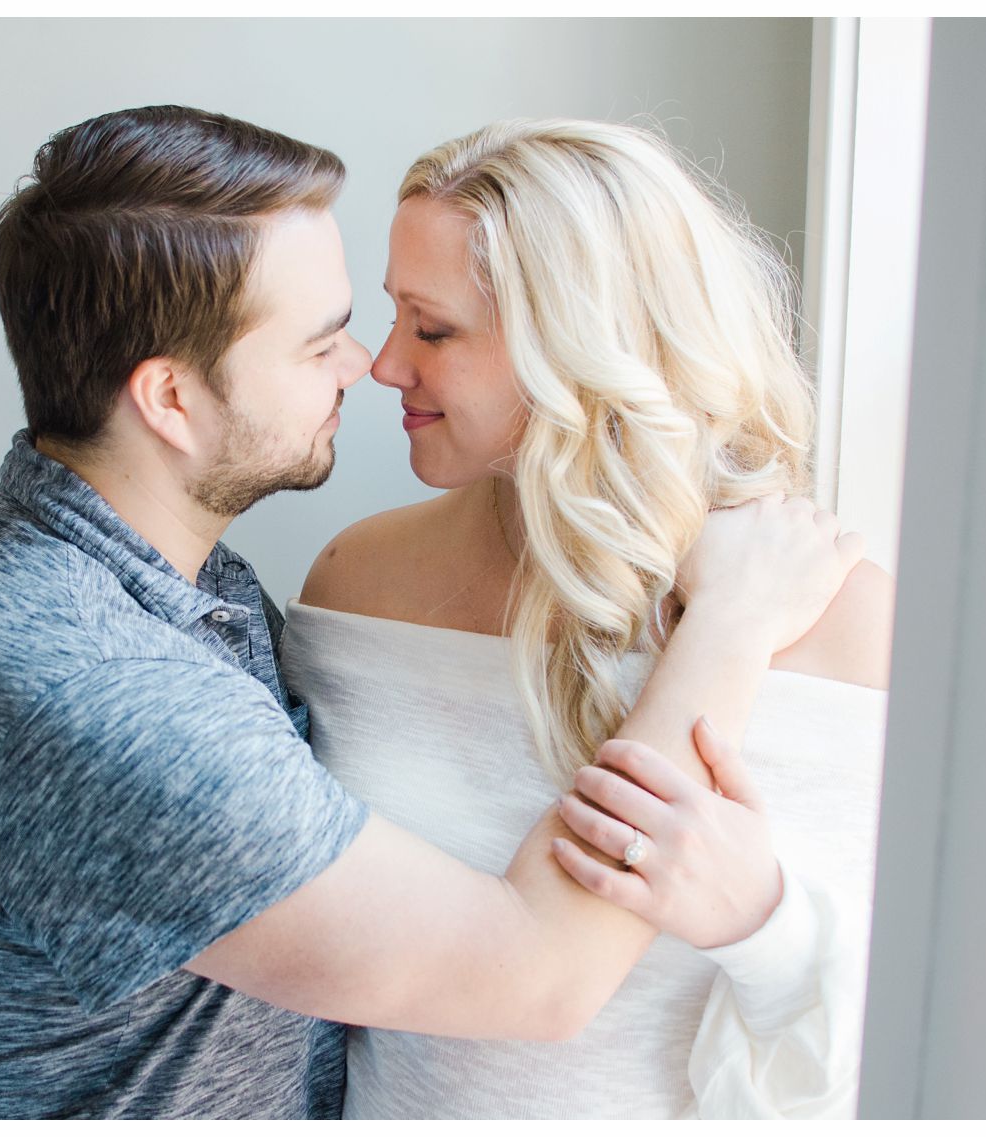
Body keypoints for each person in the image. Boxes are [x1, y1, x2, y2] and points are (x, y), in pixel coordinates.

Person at [0, 105, 861, 1120]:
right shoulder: (103, 693)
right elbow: (536, 973)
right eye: (319, 345)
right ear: (169, 401)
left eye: (417, 325)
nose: (368, 364)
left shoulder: (170, 584)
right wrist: (728, 628)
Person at [283, 118, 895, 1119]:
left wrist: (763, 923)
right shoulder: (360, 581)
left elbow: (918, 1041)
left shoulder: (849, 631)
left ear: (582, 345)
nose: (384, 365)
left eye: (431, 330)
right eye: (393, 317)